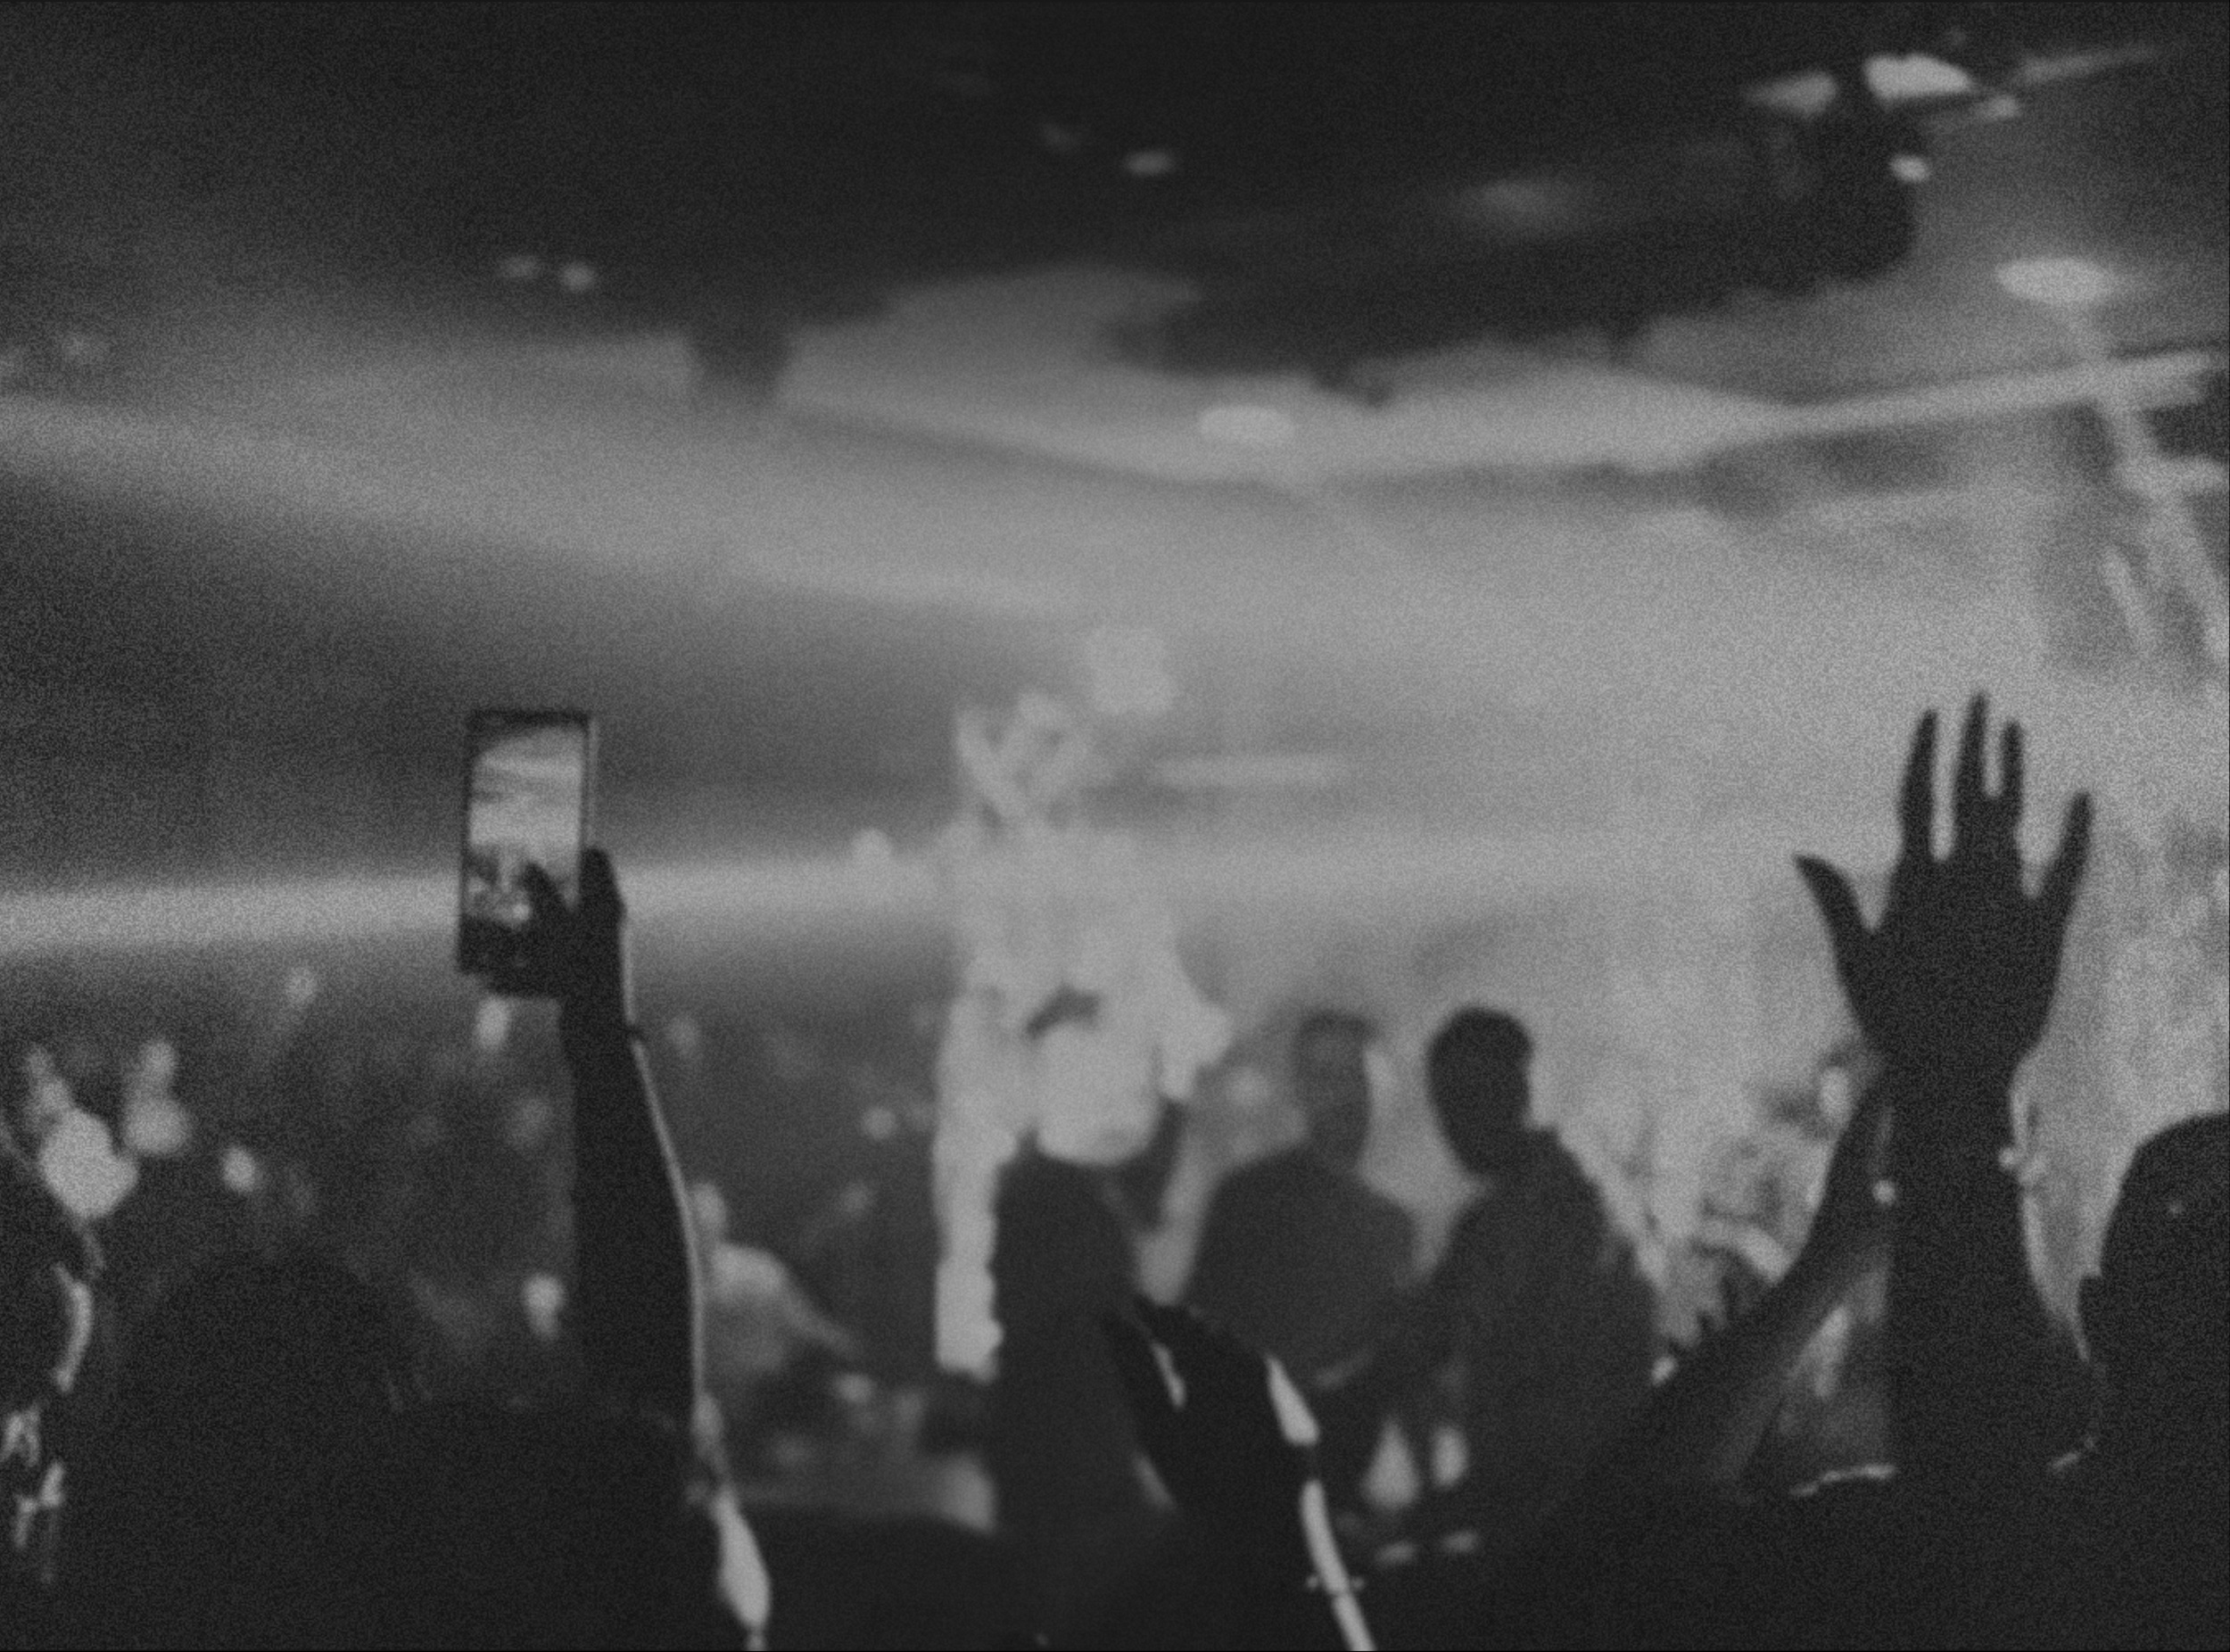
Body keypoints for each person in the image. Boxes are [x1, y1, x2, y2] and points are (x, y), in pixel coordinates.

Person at [56, 850, 765, 1649]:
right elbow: (646, 1440)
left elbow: (645, 1441)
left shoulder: (119, 1594)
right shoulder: (432, 1577)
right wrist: (601, 1030)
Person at [1314, 1007, 1657, 1570]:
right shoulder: (1556, 1194)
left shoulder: (1540, 1214)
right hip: (1577, 1520)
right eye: (1443, 1102)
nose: (1449, 1122)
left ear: (1522, 1089)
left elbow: (1546, 1435)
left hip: (1569, 1537)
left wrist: (1406, 1521)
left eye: (1468, 1098)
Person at [1184, 1012, 1417, 1393]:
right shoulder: (1250, 1202)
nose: (1344, 1095)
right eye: (1325, 1077)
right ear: (1299, 1090)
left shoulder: (1393, 1226)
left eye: (1357, 1076)